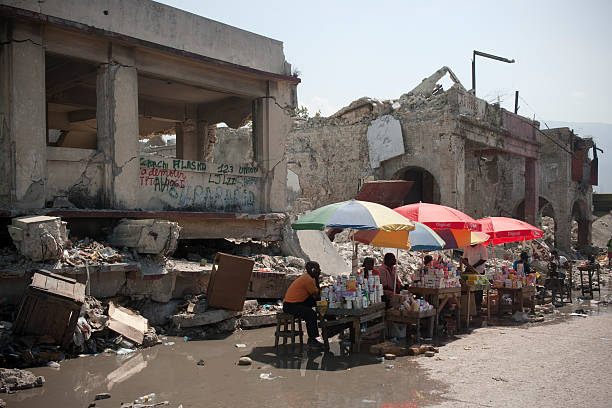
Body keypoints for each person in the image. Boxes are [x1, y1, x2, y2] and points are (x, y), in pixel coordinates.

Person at [282, 261, 324, 348]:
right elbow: (316, 295)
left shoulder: (307, 277)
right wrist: (317, 279)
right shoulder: (308, 279)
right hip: (291, 306)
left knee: (314, 303)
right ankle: (313, 340)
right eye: (318, 269)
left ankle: (323, 322)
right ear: (313, 270)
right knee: (311, 314)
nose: (320, 271)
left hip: (295, 303)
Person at [461, 243, 488, 310]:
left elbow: (484, 259)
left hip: (479, 271)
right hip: (470, 271)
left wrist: (474, 266)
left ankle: (478, 305)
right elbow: (465, 258)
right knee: (470, 288)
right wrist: (468, 266)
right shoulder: (467, 247)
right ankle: (471, 305)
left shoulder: (482, 247)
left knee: (478, 289)